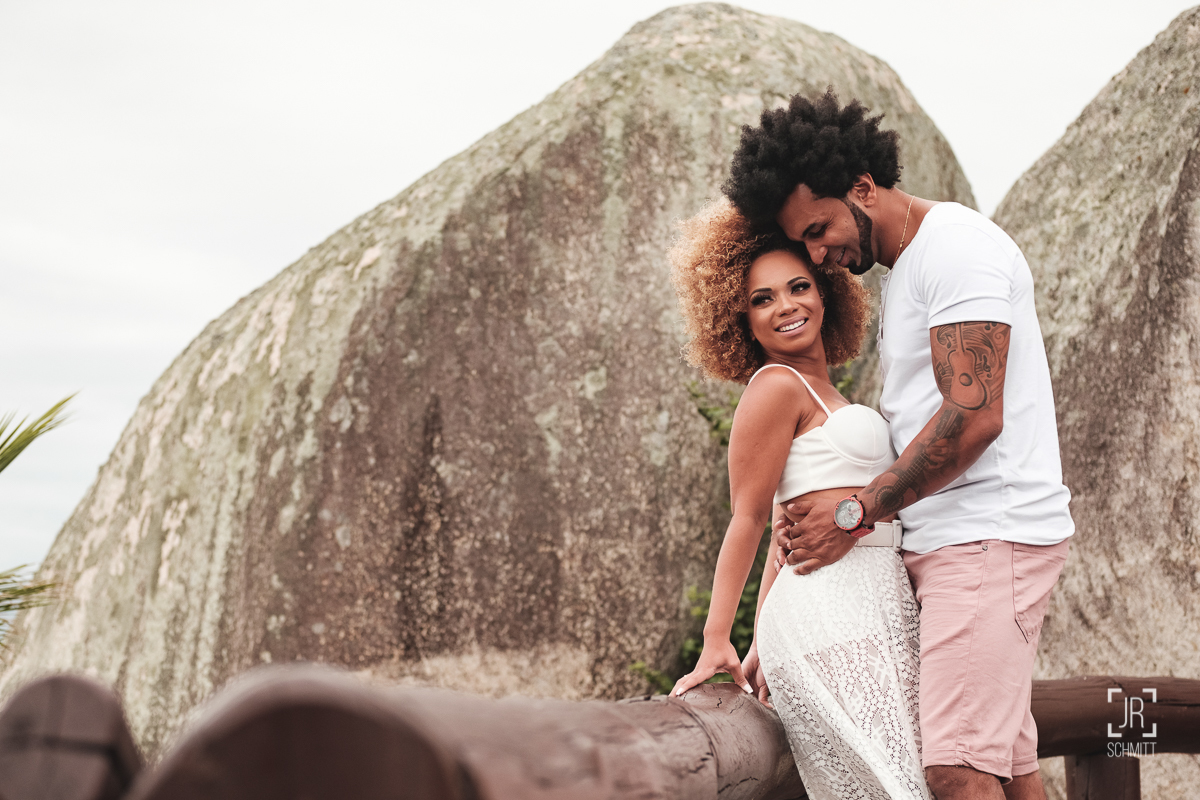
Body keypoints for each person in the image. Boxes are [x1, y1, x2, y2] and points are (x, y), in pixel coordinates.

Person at [724, 90, 1074, 800]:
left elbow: (972, 415)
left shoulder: (956, 250)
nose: (818, 253)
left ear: (863, 186)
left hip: (986, 535)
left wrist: (854, 513)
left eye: (818, 230)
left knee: (955, 770)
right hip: (956, 544)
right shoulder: (909, 267)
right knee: (1009, 769)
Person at [668, 200, 932, 800]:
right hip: (828, 610)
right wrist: (717, 641)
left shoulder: (826, 393)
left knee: (909, 778)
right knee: (894, 785)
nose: (786, 306)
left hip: (878, 602)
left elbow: (784, 534)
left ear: (826, 293)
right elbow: (748, 520)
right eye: (762, 299)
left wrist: (759, 640)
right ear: (741, 320)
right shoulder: (775, 387)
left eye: (798, 287)